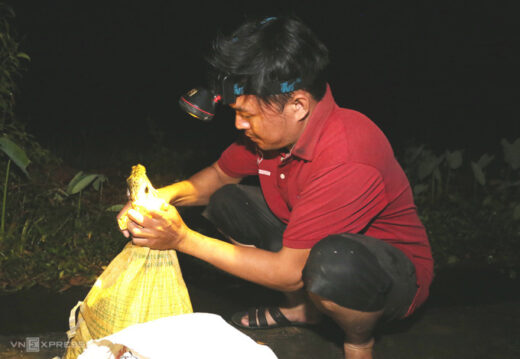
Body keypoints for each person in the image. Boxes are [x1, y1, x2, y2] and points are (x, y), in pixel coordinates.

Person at [117, 16, 433, 359]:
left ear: (298, 104)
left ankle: (358, 340)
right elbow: (219, 176)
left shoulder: (348, 154)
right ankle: (299, 309)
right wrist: (162, 196)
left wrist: (182, 239)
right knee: (227, 200)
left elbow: (289, 272)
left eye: (248, 115)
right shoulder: (271, 134)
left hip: (387, 274)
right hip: (311, 243)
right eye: (237, 112)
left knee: (333, 266)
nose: (239, 124)